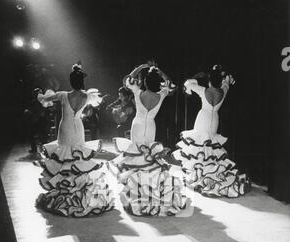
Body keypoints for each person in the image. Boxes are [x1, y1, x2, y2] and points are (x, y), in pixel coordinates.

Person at [109, 62, 193, 217]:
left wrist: (141, 67)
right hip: (151, 126)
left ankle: (135, 191)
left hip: (138, 125)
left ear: (145, 82)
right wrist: (160, 71)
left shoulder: (138, 92)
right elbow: (171, 84)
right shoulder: (161, 94)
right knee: (149, 157)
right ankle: (149, 190)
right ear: (157, 83)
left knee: (136, 156)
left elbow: (127, 80)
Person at [36, 63, 115, 217]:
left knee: (64, 156)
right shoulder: (86, 96)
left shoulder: (63, 95)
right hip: (78, 128)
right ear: (82, 82)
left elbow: (45, 99)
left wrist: (39, 93)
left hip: (65, 127)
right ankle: (79, 190)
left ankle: (64, 190)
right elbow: (98, 100)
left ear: (71, 81)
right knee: (77, 156)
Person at [173, 66, 251, 198]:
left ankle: (200, 174)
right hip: (214, 119)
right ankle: (210, 171)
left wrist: (200, 76)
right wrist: (222, 76)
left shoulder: (204, 90)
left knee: (199, 146)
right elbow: (227, 82)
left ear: (209, 80)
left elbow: (187, 83)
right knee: (210, 147)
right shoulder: (223, 91)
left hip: (203, 117)